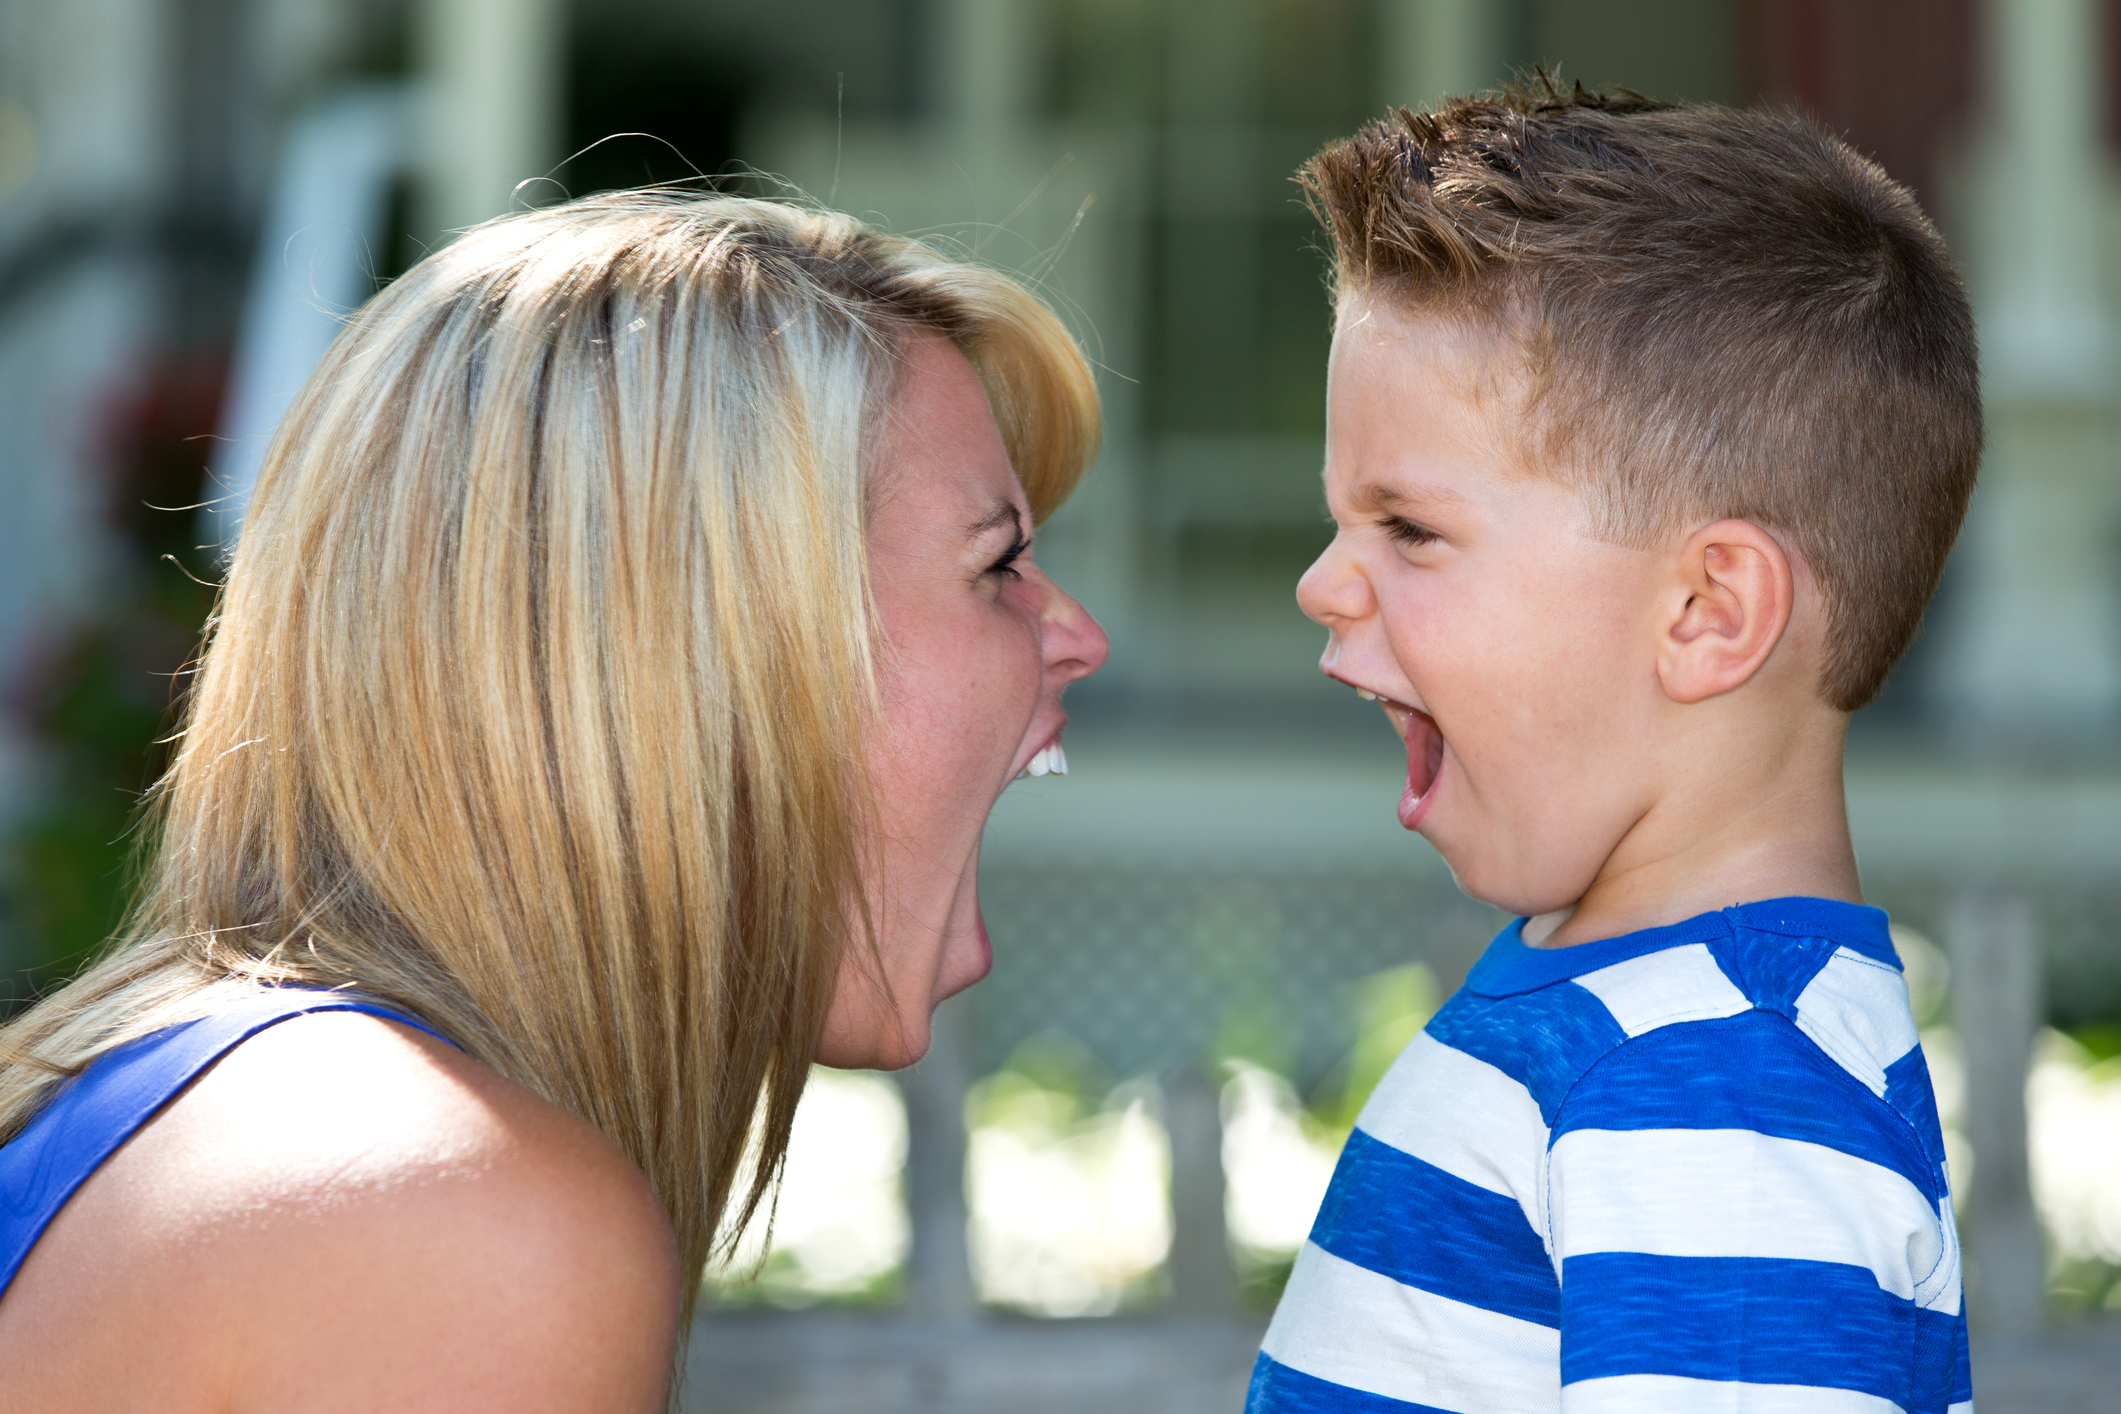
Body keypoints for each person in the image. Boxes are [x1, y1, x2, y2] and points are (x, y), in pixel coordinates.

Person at [0, 192, 1108, 1410]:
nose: (1077, 636)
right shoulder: (446, 1210)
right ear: (705, 654)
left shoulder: (232, 1109)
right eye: (1000, 562)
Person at [1252, 81, 1978, 1413]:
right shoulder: (1639, 1024)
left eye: (1408, 529)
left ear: (1707, 612)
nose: (1321, 583)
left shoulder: (1723, 1097)